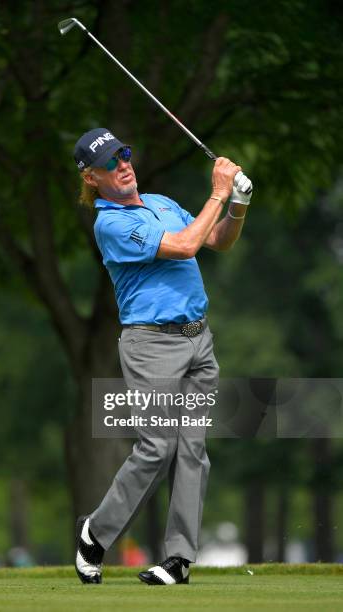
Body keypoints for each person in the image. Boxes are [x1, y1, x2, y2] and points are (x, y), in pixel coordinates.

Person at [73, 127, 252, 585]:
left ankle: (178, 560)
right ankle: (96, 532)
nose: (123, 165)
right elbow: (185, 245)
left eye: (124, 154)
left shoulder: (162, 203)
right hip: (152, 346)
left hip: (199, 342)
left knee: (193, 449)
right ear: (92, 177)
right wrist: (217, 191)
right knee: (157, 447)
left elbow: (217, 242)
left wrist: (237, 205)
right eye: (110, 163)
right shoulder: (110, 223)